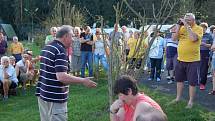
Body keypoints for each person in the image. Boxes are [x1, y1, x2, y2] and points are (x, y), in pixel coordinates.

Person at [36, 25, 97, 121]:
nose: (73, 40)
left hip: (43, 94)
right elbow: (62, 77)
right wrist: (83, 80)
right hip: (54, 97)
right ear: (65, 36)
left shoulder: (47, 46)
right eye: (71, 36)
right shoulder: (60, 50)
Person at [171, 13, 203, 108]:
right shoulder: (181, 27)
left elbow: (193, 38)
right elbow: (173, 39)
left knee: (192, 82)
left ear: (193, 20)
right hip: (181, 59)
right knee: (179, 80)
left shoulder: (199, 28)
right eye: (185, 19)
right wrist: (177, 26)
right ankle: (178, 98)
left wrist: (186, 25)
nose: (186, 21)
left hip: (193, 60)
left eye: (188, 20)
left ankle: (190, 101)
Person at [199, 22, 213, 90]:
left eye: (204, 28)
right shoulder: (198, 35)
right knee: (197, 68)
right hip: (197, 52)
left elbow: (212, 45)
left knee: (204, 69)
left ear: (206, 28)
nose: (202, 29)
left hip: (205, 52)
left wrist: (204, 44)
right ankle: (197, 81)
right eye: (201, 27)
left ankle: (202, 84)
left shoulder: (209, 35)